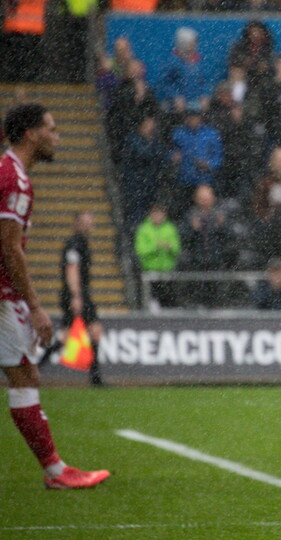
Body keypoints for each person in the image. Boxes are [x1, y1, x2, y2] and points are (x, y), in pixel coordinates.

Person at [0, 103, 110, 488]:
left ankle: (55, 470)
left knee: (24, 374)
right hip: (3, 297)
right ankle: (56, 472)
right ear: (31, 134)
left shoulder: (7, 171)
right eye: (51, 128)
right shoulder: (15, 178)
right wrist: (34, 306)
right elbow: (9, 247)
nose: (57, 137)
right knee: (24, 376)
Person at [59, 211, 105, 387]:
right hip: (76, 294)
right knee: (91, 332)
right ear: (77, 223)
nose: (89, 226)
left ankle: (96, 378)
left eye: (90, 222)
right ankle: (96, 378)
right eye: (85, 222)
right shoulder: (74, 244)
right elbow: (72, 269)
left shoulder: (82, 243)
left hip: (79, 293)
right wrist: (76, 296)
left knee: (77, 334)